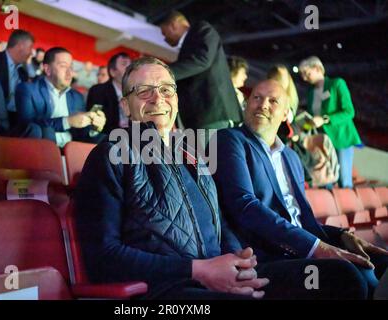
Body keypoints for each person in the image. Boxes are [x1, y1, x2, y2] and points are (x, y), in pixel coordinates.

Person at [74, 57, 368, 300]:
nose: (158, 98)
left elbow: (219, 222)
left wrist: (240, 262)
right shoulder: (110, 155)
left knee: (342, 278)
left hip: (215, 273)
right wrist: (198, 270)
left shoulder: (191, 152)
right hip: (166, 290)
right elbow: (104, 257)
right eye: (144, 91)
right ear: (126, 106)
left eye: (166, 89)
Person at [213, 79, 388, 298]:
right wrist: (318, 248)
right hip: (268, 258)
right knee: (348, 276)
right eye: (256, 98)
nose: (262, 104)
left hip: (301, 250)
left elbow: (298, 219)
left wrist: (341, 235)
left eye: (273, 100)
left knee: (379, 261)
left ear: (286, 113)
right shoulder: (229, 140)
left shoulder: (291, 157)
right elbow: (245, 206)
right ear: (246, 105)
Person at [159, 11, 241, 132]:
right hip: (204, 119)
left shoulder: (202, 29)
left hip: (213, 114)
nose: (165, 39)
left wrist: (161, 73)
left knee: (214, 151)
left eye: (164, 33)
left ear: (173, 25)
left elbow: (202, 59)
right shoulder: (188, 47)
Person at [15, 47, 106, 147]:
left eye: (71, 67)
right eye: (63, 66)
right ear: (48, 69)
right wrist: (67, 122)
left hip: (70, 151)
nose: (69, 72)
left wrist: (93, 128)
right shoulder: (28, 89)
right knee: (46, 131)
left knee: (105, 139)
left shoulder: (77, 97)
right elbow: (28, 125)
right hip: (41, 149)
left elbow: (81, 134)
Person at [299, 56, 361, 188]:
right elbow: (314, 119)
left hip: (341, 138)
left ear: (317, 68)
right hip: (322, 142)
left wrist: (324, 119)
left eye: (307, 73)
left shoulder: (337, 84)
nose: (304, 78)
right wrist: (305, 124)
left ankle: (346, 208)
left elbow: (349, 112)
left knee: (344, 182)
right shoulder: (311, 92)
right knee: (325, 180)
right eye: (302, 75)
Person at [86, 52, 132, 134]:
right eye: (124, 64)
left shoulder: (135, 94)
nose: (130, 68)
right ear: (112, 72)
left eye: (131, 64)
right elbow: (95, 126)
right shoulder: (98, 91)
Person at [267, 64, 299, 143]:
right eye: (282, 77)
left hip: (287, 141)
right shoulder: (270, 97)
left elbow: (292, 121)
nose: (286, 79)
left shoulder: (290, 97)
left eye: (286, 76)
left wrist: (295, 131)